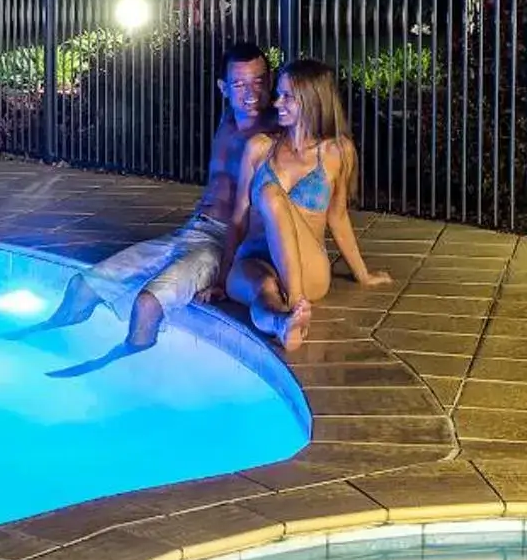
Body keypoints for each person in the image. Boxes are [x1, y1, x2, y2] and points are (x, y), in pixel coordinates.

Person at [32, 39, 272, 374]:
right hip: (193, 230)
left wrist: (226, 276)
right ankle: (35, 341)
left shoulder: (272, 135)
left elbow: (246, 217)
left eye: (259, 81)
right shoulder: (228, 121)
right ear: (223, 88)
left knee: (147, 304)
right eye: (239, 84)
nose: (250, 94)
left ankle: (117, 371)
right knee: (82, 285)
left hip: (227, 243)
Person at [224, 57, 392, 351]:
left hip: (307, 265)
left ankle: (297, 301)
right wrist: (221, 273)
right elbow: (239, 217)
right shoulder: (260, 147)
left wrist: (362, 274)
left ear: (312, 100)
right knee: (264, 292)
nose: (277, 103)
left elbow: (337, 218)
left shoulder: (337, 152)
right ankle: (282, 322)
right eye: (278, 94)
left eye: (287, 96)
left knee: (271, 195)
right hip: (256, 257)